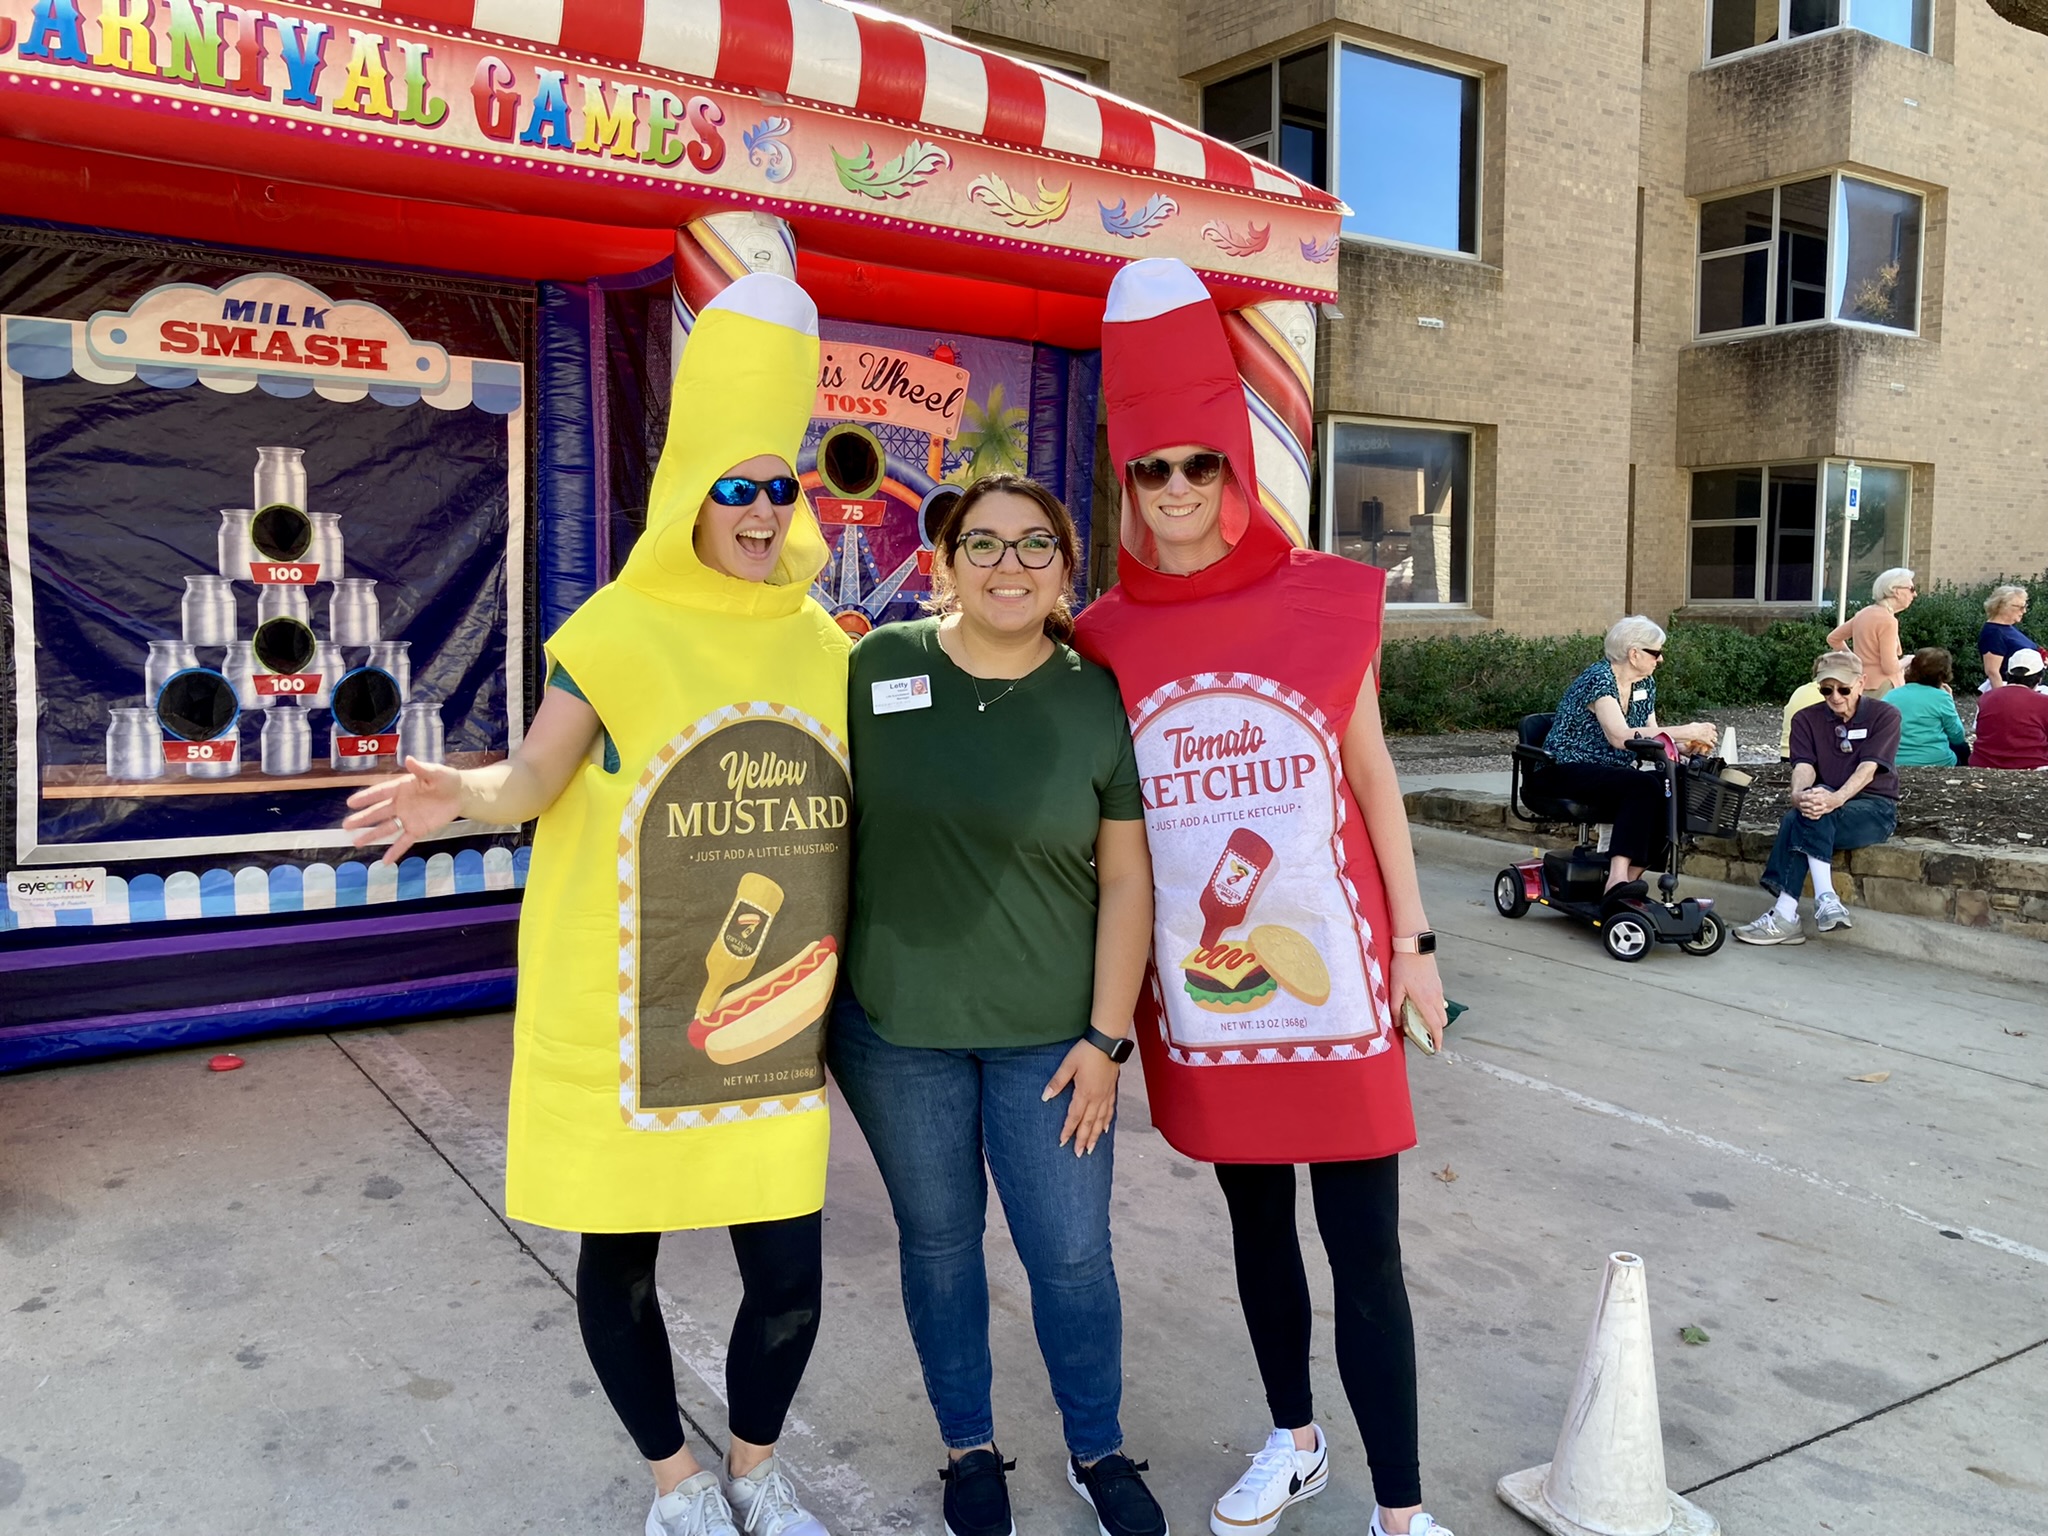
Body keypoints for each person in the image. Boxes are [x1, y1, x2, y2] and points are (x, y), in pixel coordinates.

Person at [345, 274, 850, 1536]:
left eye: (777, 486)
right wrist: (449, 791)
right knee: (619, 1252)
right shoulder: (614, 628)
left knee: (787, 1270)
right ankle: (674, 1487)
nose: (758, 510)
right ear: (690, 494)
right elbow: (528, 781)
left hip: (768, 1030)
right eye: (734, 487)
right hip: (628, 1015)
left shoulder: (824, 645)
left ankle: (750, 1467)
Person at [1074, 257, 1455, 1536]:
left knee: (1367, 1252)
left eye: (1198, 464)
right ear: (1125, 485)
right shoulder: (1103, 635)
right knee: (1256, 1231)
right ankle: (1292, 1439)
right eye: (1150, 470)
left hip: (1340, 986)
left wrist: (1414, 945)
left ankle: (1400, 1510)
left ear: (1235, 468)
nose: (1176, 490)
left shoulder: (1329, 600)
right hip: (1206, 990)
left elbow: (1374, 780)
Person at [827, 475, 1166, 1536]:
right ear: (944, 561)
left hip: (1052, 1046)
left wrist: (1107, 1039)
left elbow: (1126, 880)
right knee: (938, 1247)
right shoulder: (876, 667)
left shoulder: (1095, 693)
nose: (1007, 565)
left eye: (1032, 547)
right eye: (982, 544)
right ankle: (967, 1445)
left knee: (1069, 1255)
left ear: (1067, 569)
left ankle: (1096, 1447)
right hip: (895, 1033)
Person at [1734, 650, 1900, 946]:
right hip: (1824, 807)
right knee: (1806, 810)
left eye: (1843, 688)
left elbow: (1869, 768)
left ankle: (1791, 912)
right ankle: (1824, 903)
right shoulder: (1806, 719)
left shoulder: (1885, 715)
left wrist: (1835, 798)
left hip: (1873, 807)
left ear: (1861, 683)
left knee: (1799, 818)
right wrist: (1799, 794)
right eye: (1826, 689)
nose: (1835, 696)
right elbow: (1804, 765)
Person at [1542, 617, 1718, 894]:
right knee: (1641, 785)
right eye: (1656, 653)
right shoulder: (1599, 678)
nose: (1660, 660)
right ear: (1634, 653)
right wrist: (1687, 729)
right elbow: (1619, 736)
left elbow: (1651, 736)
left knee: (1678, 782)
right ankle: (1617, 878)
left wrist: (1684, 746)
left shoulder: (1644, 685)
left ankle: (1634, 875)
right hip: (1565, 766)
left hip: (1610, 771)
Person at [1827, 567, 1916, 695]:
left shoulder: (1864, 613)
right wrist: (1908, 659)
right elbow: (1890, 667)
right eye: (1911, 589)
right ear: (1896, 591)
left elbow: (1833, 638)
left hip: (1862, 684)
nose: (1914, 594)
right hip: (1885, 688)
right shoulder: (1888, 621)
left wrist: (1854, 659)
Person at [1887, 648, 1970, 766]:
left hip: (1896, 759)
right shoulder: (1942, 698)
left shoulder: (1891, 695)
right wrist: (1950, 701)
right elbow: (1957, 736)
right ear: (1943, 675)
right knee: (1963, 748)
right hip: (1937, 760)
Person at [1972, 647, 2048, 769]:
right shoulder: (2044, 702)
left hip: (1983, 762)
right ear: (2039, 678)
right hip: (2033, 763)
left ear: (2009, 674)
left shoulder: (1986, 698)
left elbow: (1979, 730)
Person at [1978, 585, 2038, 689]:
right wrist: (2003, 698)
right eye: (2021, 607)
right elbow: (1992, 671)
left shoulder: (2007, 628)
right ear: (2003, 606)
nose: (2024, 611)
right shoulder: (1993, 632)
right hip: (2009, 689)